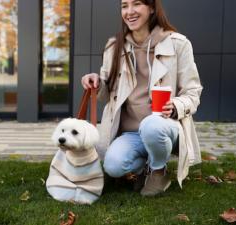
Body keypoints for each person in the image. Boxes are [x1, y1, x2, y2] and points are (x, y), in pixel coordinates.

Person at [81, 0, 203, 197]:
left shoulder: (179, 44)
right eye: (124, 5)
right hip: (131, 132)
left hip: (165, 125)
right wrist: (96, 82)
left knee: (152, 126)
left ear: (152, 7)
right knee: (112, 166)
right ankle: (144, 168)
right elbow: (106, 93)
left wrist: (176, 106)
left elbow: (193, 92)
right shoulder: (114, 46)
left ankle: (158, 171)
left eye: (136, 4)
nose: (129, 12)